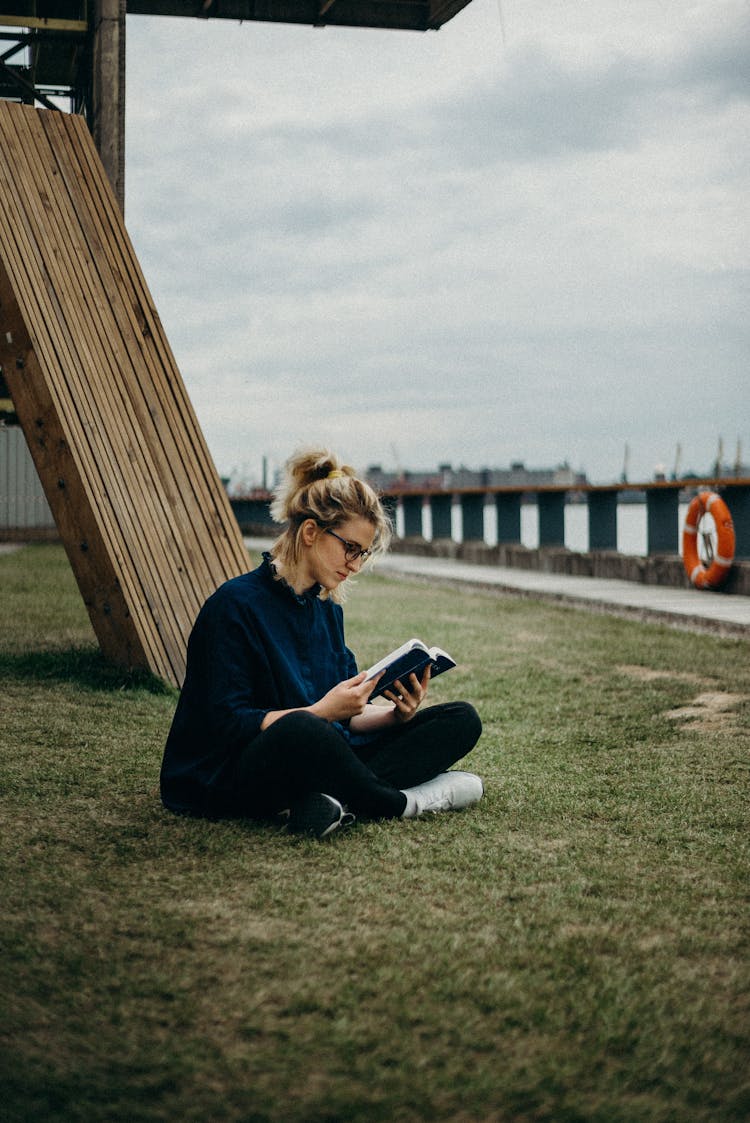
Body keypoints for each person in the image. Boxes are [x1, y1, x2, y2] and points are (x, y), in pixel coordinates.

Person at [160, 447, 483, 838]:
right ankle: (403, 802)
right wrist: (320, 711)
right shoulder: (233, 606)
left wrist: (395, 714)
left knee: (461, 719)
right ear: (311, 533)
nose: (355, 564)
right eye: (350, 548)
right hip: (229, 773)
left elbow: (346, 715)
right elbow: (228, 724)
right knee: (304, 729)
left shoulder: (327, 609)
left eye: (362, 554)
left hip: (318, 754)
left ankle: (331, 799)